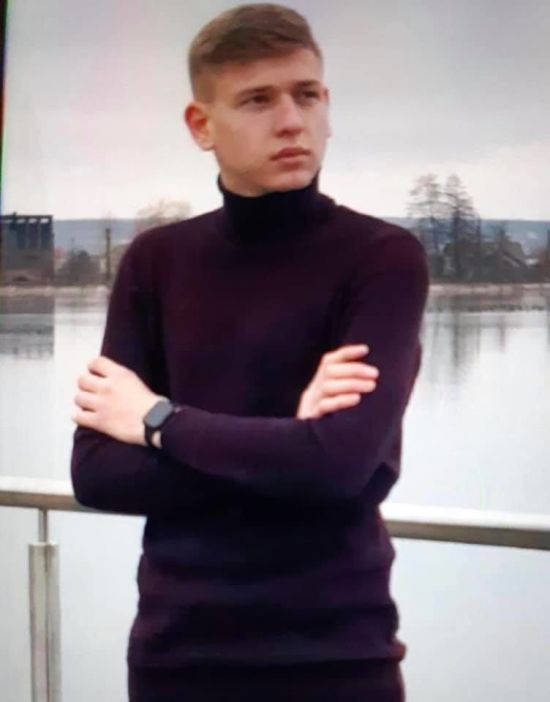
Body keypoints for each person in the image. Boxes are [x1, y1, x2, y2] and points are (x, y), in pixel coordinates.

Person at [70, 3, 429, 700]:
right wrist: (292, 441)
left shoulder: (382, 259)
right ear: (201, 125)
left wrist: (159, 421)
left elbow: (341, 468)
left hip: (337, 660)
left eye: (307, 94)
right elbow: (98, 475)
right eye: (258, 100)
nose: (291, 120)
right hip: (177, 658)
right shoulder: (156, 262)